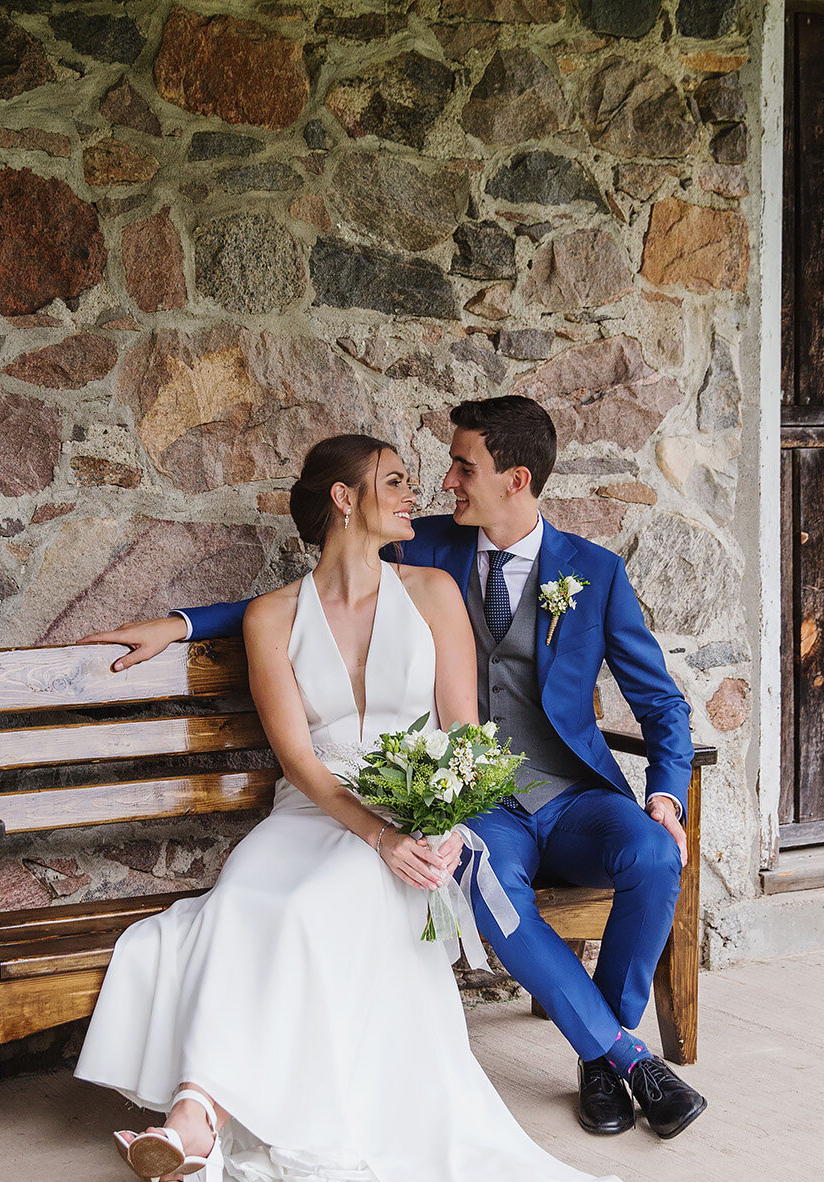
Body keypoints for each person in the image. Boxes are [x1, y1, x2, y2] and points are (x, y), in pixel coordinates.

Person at [82, 396, 707, 1144]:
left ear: (515, 479)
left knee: (654, 853)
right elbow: (308, 601)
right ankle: (621, 1057)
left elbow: (659, 700)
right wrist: (180, 622)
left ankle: (604, 1053)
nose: (445, 482)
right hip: (478, 804)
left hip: (570, 794)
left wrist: (666, 789)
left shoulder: (594, 573)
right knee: (487, 881)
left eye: (461, 466)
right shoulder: (432, 547)